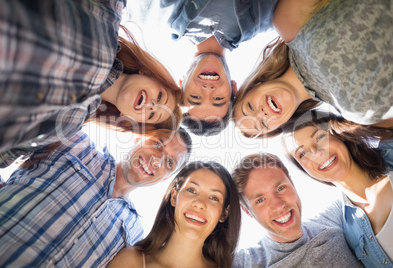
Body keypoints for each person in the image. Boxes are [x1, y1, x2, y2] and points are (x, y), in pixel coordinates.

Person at [0, 1, 182, 175]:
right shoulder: (106, 21)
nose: (152, 106)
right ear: (148, 75)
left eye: (152, 115)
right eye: (160, 97)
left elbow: (3, 154)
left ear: (132, 120)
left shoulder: (69, 125)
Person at [0, 128, 192, 267]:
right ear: (137, 138)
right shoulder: (76, 144)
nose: (157, 160)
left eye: (169, 163)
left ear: (166, 177)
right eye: (157, 144)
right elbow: (2, 142)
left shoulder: (134, 235)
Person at [233, 0, 392, 138]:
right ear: (281, 125)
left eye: (250, 107)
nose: (261, 114)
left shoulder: (286, 22)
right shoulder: (355, 118)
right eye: (263, 124)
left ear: (254, 85)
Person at [126, 0, 278, 135]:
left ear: (181, 83)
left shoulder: (151, 14)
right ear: (233, 87)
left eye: (195, 97)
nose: (208, 89)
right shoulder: (268, 17)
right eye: (218, 99)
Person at [282, 109, 393, 267]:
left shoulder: (390, 154)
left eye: (320, 137)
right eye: (302, 154)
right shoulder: (348, 228)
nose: (316, 153)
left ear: (338, 134)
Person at [232, 153, 362, 267]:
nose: (278, 205)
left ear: (292, 184)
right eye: (260, 200)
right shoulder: (244, 263)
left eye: (280, 188)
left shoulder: (337, 218)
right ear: (247, 211)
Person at [107, 161, 241, 268]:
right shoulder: (130, 261)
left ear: (224, 214)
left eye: (214, 198)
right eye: (191, 190)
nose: (200, 203)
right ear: (174, 197)